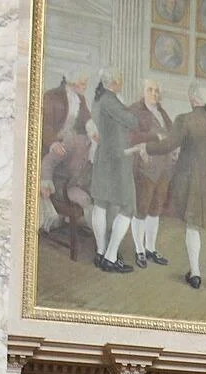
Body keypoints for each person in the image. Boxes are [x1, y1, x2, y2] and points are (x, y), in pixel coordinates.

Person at [131, 82, 206, 295]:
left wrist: (146, 147)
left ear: (193, 100)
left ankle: (196, 274)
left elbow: (168, 145)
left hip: (189, 183)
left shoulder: (184, 120)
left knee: (192, 227)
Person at [89, 69, 137, 273]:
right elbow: (132, 121)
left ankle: (101, 252)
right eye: (121, 80)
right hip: (117, 159)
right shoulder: (111, 100)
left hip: (103, 156)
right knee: (128, 206)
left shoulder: (99, 99)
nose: (122, 82)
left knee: (100, 203)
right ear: (115, 81)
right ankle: (110, 257)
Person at [126, 79, 173, 270]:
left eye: (157, 90)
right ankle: (139, 250)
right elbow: (129, 136)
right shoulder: (134, 111)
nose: (154, 93)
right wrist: (153, 137)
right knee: (141, 208)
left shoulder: (162, 112)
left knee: (156, 208)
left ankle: (150, 248)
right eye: (150, 90)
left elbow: (171, 134)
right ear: (143, 92)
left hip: (164, 167)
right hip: (144, 166)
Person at [41, 72, 89, 156]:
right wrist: (53, 143)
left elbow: (87, 119)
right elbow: (45, 123)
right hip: (50, 145)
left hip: (69, 144)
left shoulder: (81, 98)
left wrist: (93, 131)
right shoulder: (52, 96)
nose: (85, 87)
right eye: (82, 84)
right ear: (71, 83)